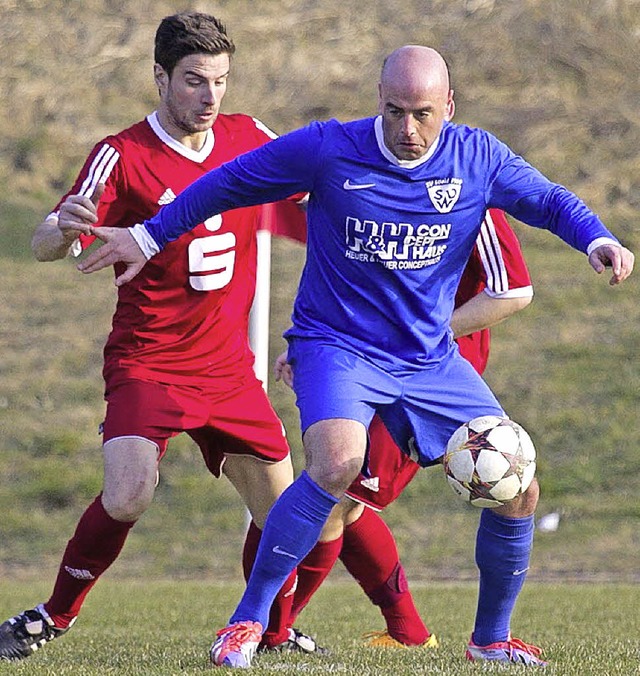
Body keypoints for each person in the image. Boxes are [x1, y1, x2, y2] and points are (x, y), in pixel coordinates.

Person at [75, 45, 634, 669]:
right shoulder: (328, 148)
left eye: (423, 113)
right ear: (378, 100)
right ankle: (247, 622)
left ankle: (491, 639)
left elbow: (549, 200)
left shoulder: (478, 157)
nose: (408, 129)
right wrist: (149, 235)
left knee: (520, 487)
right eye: (394, 112)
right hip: (335, 347)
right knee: (338, 463)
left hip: (428, 357)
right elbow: (230, 182)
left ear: (449, 106)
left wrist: (597, 237)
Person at [0, 11, 323, 662]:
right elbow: (41, 242)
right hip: (149, 360)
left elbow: (313, 190)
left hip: (229, 366)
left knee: (283, 513)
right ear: (160, 77)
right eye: (194, 81)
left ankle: (272, 629)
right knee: (128, 493)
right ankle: (51, 617)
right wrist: (63, 227)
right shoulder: (121, 157)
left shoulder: (248, 136)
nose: (210, 97)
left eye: (221, 81)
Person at [281, 208, 533, 648]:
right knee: (341, 492)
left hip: (433, 379)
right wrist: (315, 343)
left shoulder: (471, 195)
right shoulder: (374, 192)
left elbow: (511, 291)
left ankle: (274, 629)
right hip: (366, 364)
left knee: (341, 497)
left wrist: (421, 337)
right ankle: (404, 631)